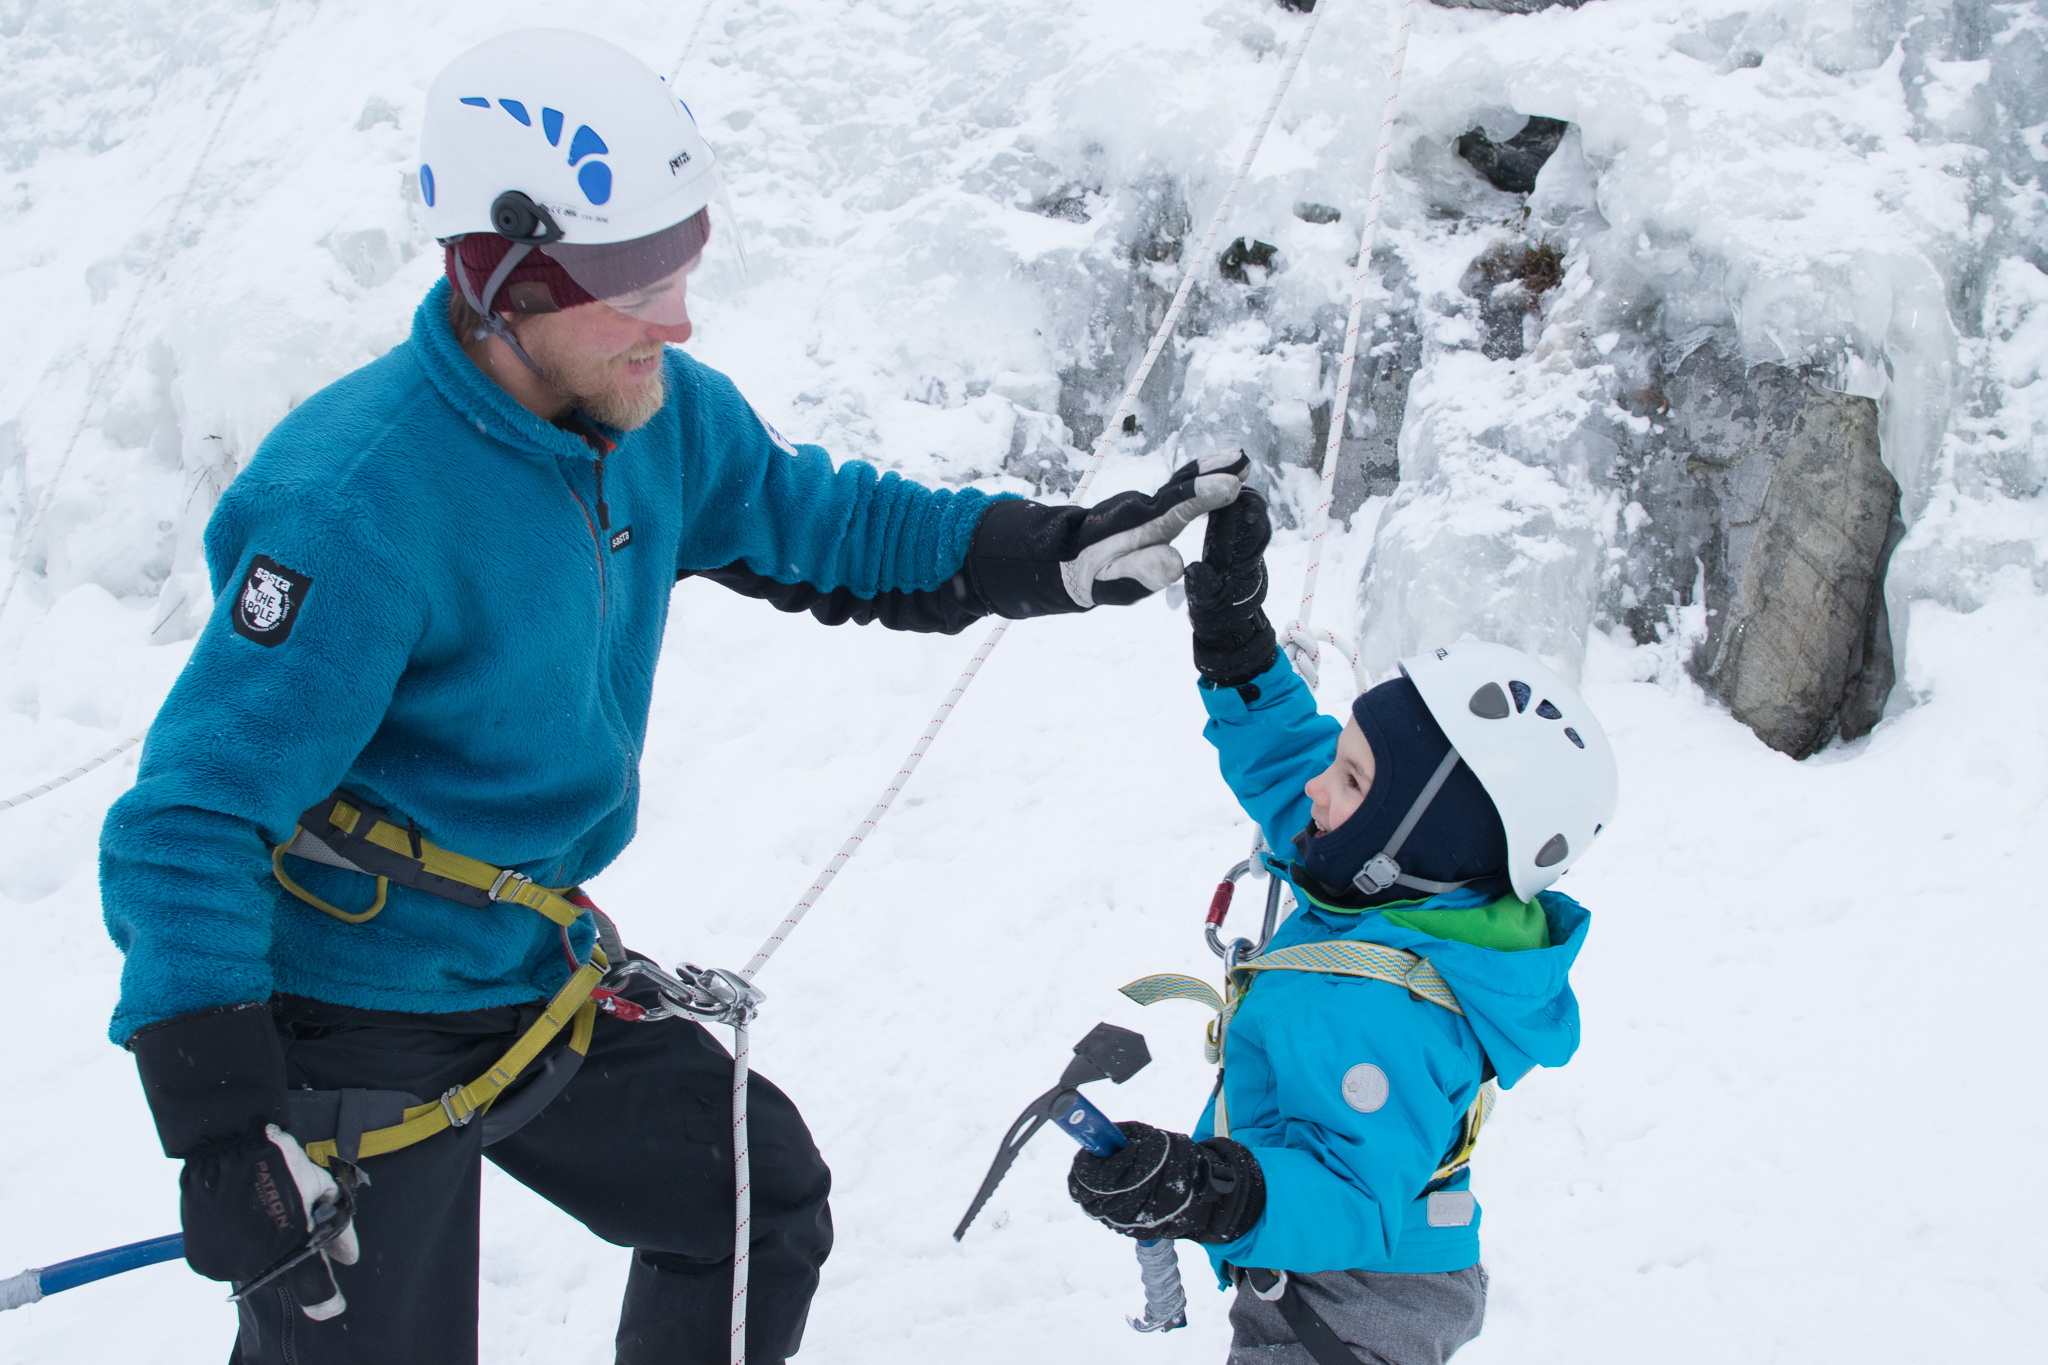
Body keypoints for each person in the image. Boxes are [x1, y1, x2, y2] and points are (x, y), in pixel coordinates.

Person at [100, 28, 1250, 1365]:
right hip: (350, 1008)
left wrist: (1046, 553)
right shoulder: (354, 503)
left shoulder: (657, 414)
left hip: (524, 972)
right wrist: (227, 1127)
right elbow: (191, 813)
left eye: (684, 261)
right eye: (633, 282)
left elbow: (827, 525)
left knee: (754, 1198)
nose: (680, 316)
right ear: (500, 278)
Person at [1064, 488, 1618, 1364]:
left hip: (1355, 1304)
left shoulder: (1393, 1015)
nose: (1320, 790)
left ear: (1417, 839)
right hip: (1316, 1259)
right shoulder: (1386, 876)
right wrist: (1239, 646)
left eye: (1352, 778)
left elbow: (1349, 1198)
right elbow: (1295, 764)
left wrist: (1211, 1190)